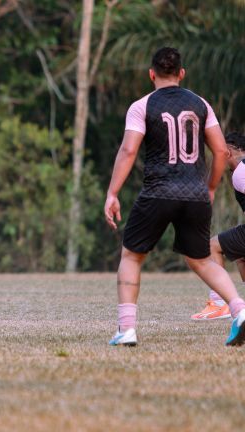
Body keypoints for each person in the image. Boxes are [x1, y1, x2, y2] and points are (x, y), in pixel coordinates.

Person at [104, 47, 245, 346]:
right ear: (181, 73)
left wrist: (113, 192)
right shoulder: (201, 104)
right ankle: (240, 310)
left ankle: (126, 329)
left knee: (131, 256)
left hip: (158, 191)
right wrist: (209, 186)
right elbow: (221, 150)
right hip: (194, 195)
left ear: (151, 74)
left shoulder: (142, 106)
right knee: (203, 260)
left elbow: (129, 150)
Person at [192, 132, 245, 320]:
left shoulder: (240, 172)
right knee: (240, 256)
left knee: (211, 246)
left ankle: (219, 304)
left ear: (229, 151)